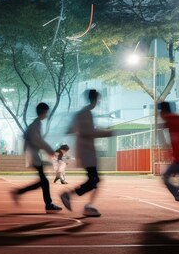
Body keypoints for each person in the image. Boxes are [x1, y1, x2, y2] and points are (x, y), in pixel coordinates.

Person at [60, 89, 112, 217]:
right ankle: (70, 196)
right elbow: (89, 132)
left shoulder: (82, 114)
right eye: (98, 99)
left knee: (95, 180)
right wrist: (106, 133)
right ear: (95, 99)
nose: (99, 102)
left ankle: (87, 206)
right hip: (86, 152)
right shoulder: (85, 114)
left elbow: (72, 129)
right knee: (94, 180)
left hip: (86, 151)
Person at [11, 102, 62, 213]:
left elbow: (29, 138)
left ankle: (20, 192)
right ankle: (47, 204)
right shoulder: (36, 124)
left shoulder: (35, 124)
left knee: (43, 181)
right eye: (46, 112)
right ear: (43, 112)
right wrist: (50, 150)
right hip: (33, 155)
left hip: (33, 154)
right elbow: (38, 141)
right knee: (44, 181)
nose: (47, 114)